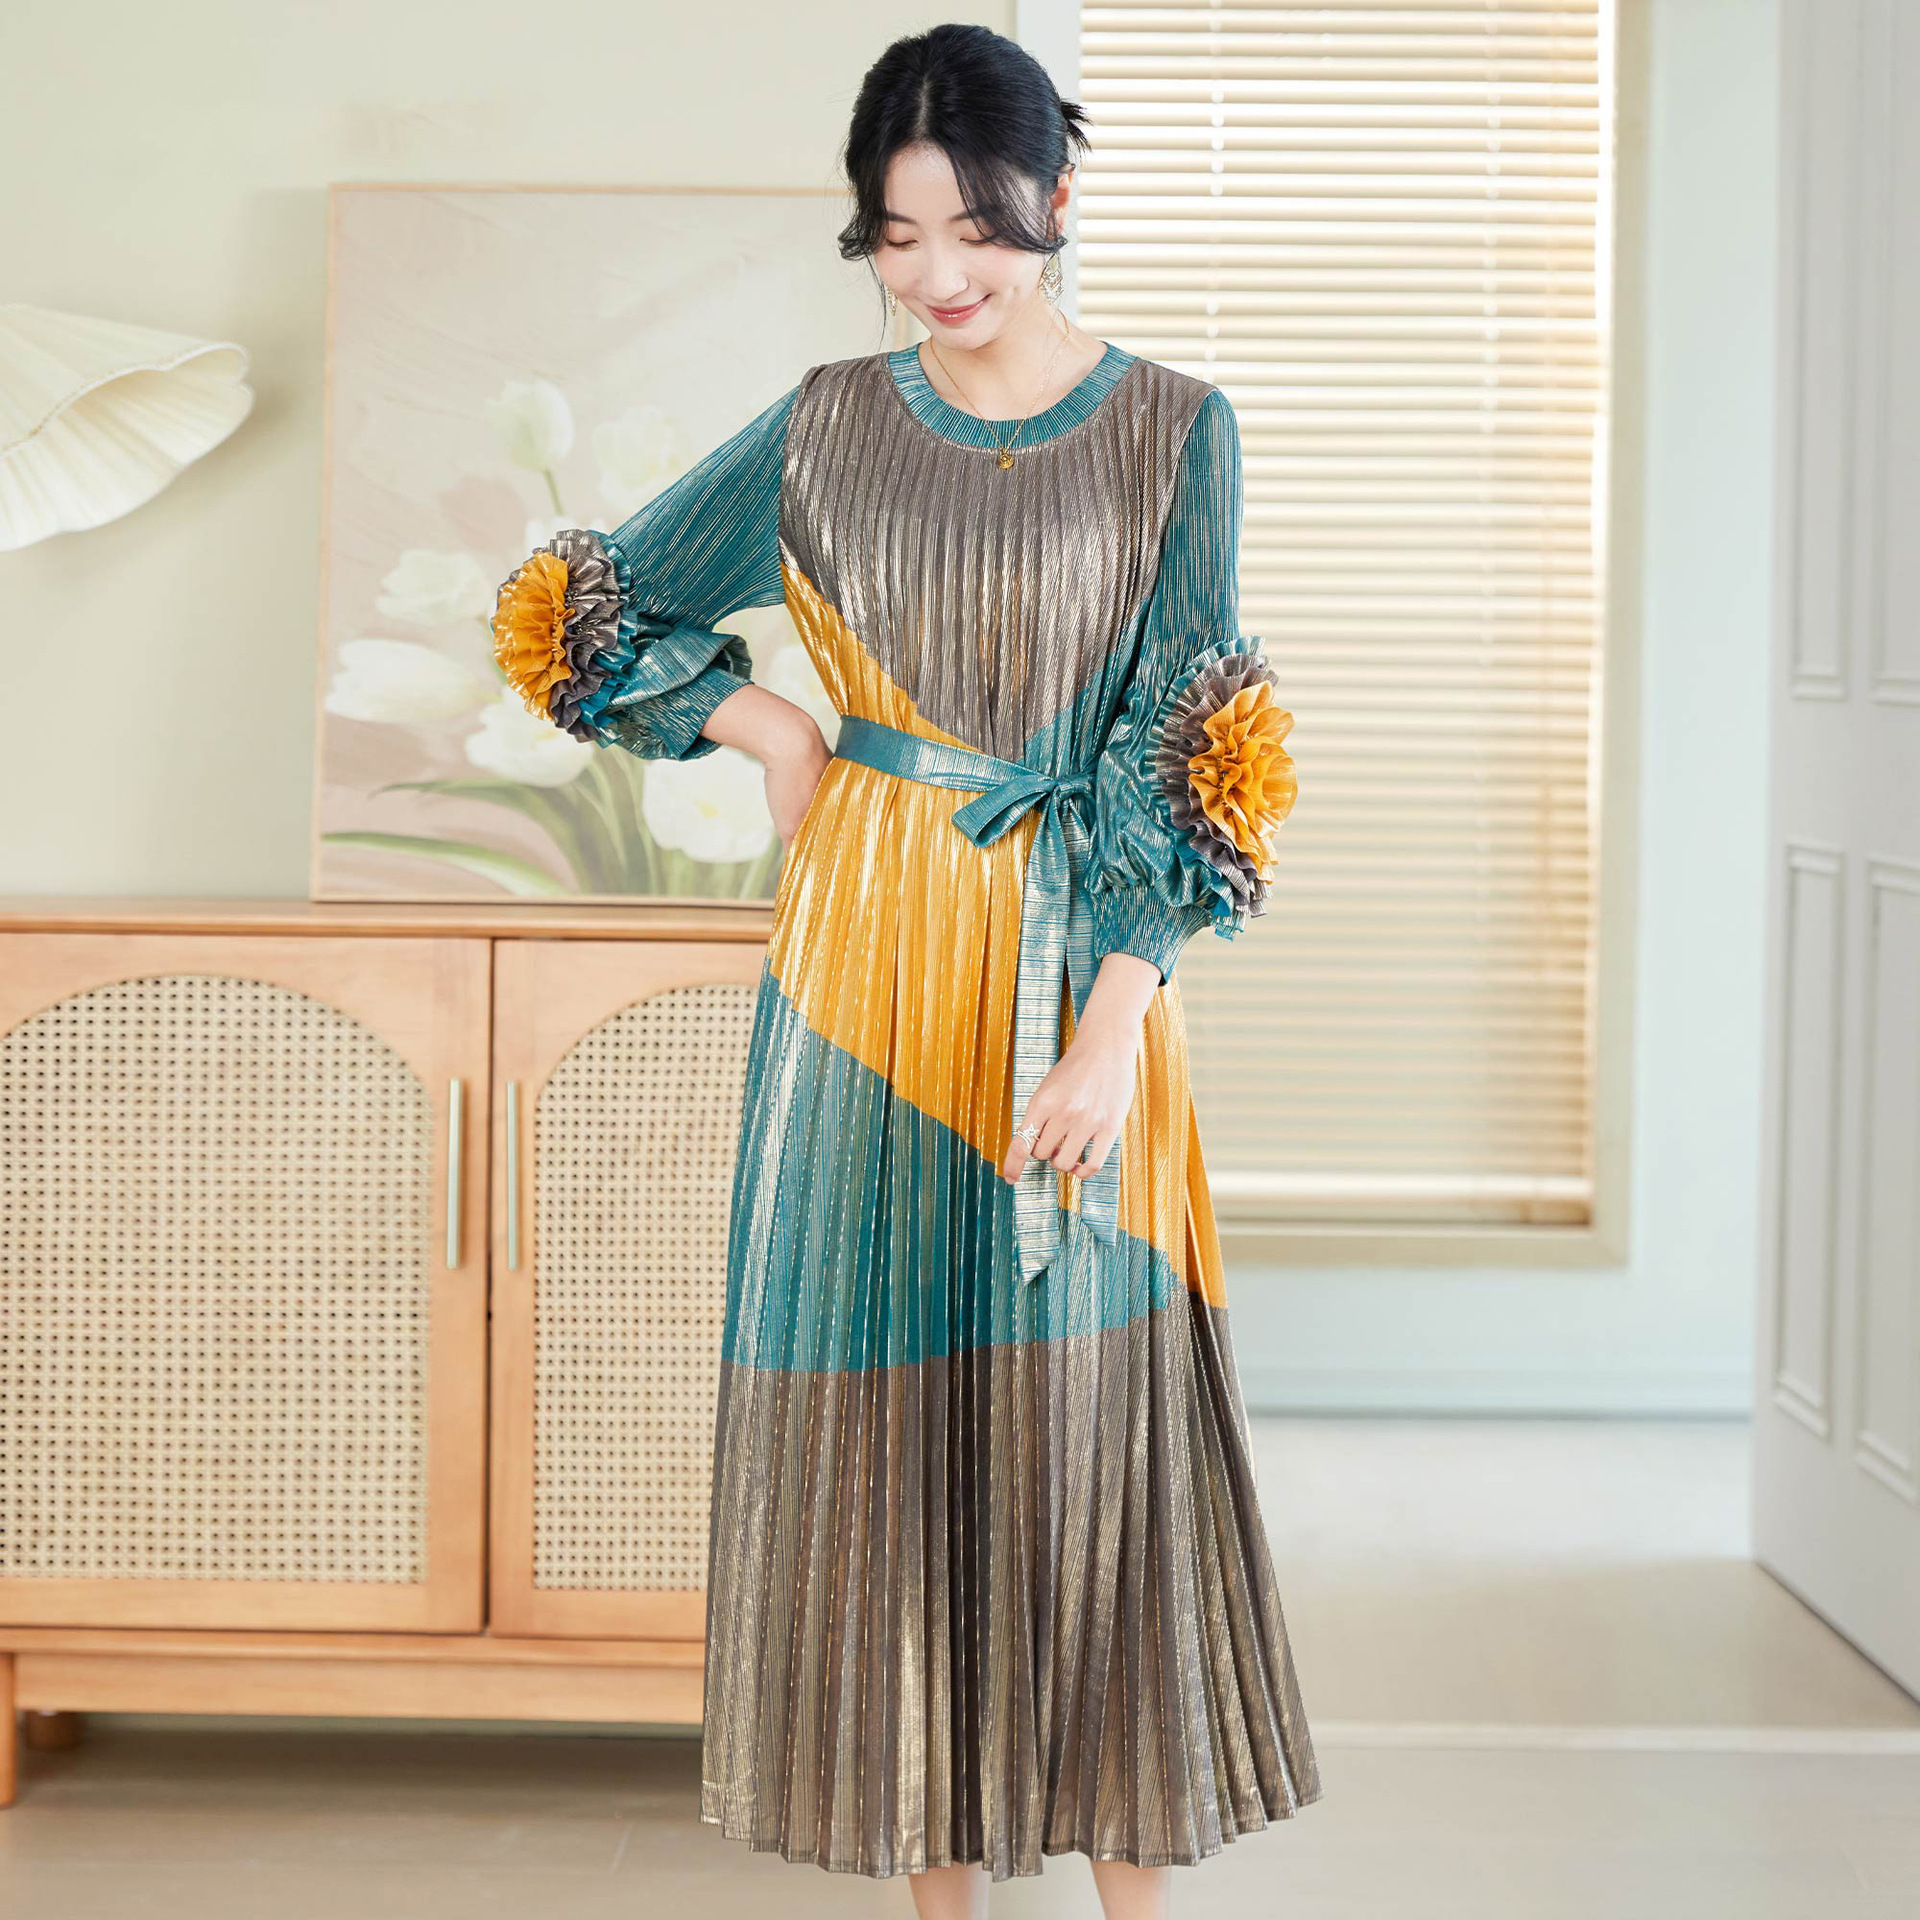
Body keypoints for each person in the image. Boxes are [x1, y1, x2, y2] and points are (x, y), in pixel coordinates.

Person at [490, 23, 1321, 1917]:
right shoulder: (823, 427)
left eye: (981, 228)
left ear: (1058, 200)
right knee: (883, 1437)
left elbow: (1191, 752)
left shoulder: (1177, 432)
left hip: (1077, 970)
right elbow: (575, 609)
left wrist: (1114, 1028)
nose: (942, 274)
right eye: (897, 234)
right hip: (858, 971)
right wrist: (765, 723)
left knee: (1097, 1427)